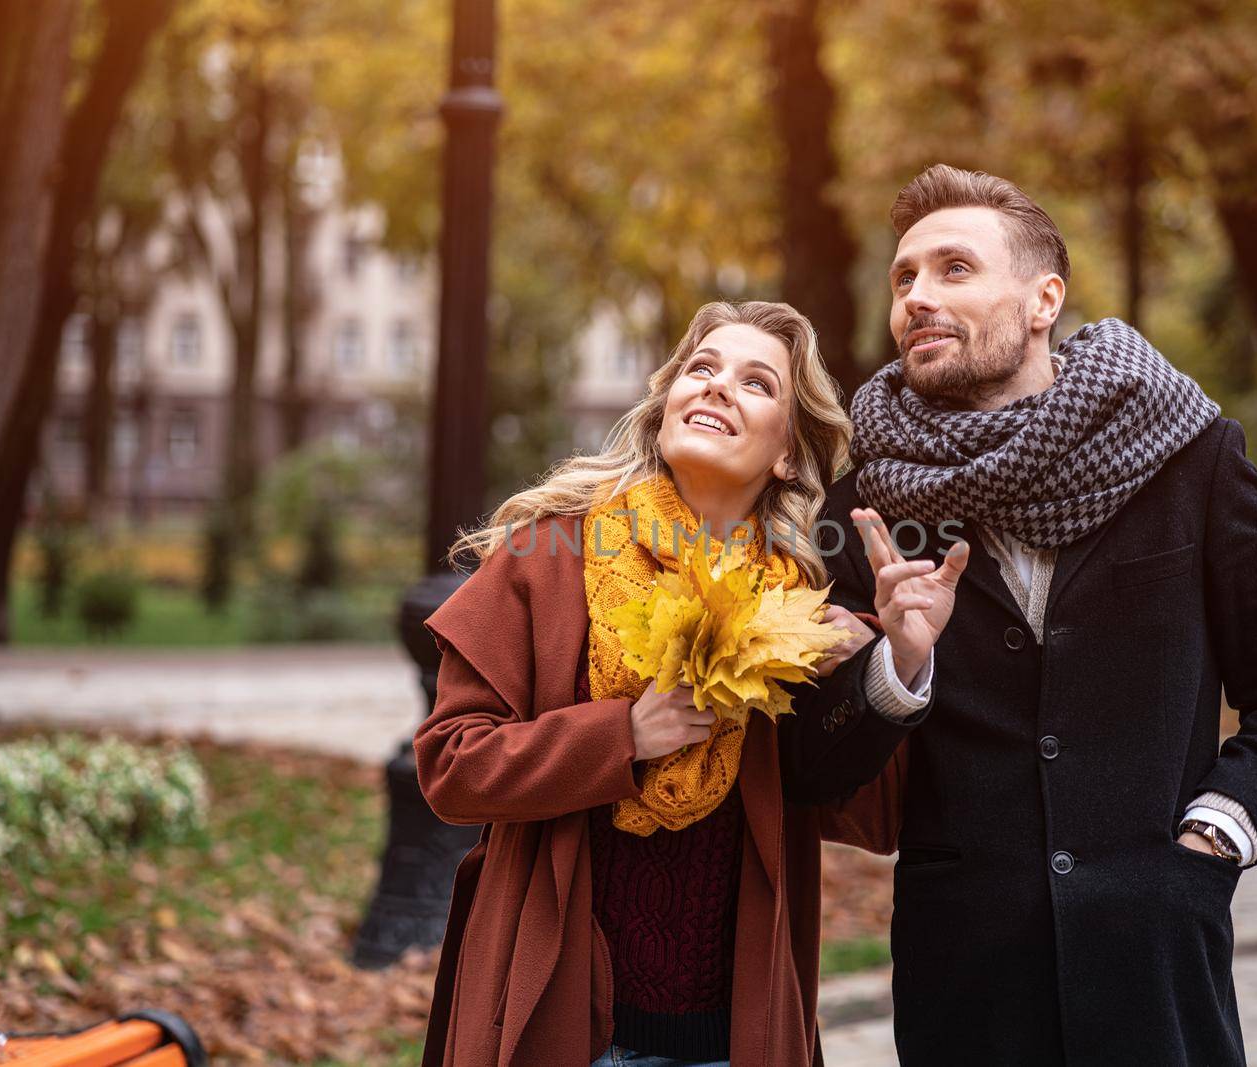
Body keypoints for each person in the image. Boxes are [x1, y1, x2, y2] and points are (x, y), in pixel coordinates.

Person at [784, 165, 1257, 1065]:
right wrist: (895, 668)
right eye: (904, 278)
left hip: (1159, 968)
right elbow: (812, 765)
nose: (918, 298)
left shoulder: (1187, 456)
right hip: (965, 990)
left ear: (1044, 298)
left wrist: (1215, 839)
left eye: (954, 269)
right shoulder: (869, 503)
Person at [413, 299, 967, 1067]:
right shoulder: (550, 555)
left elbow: (873, 820)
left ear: (784, 452)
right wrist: (623, 736)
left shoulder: (800, 608)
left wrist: (894, 664)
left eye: (755, 382)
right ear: (666, 404)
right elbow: (450, 765)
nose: (715, 387)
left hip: (730, 1040)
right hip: (561, 1022)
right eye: (700, 370)